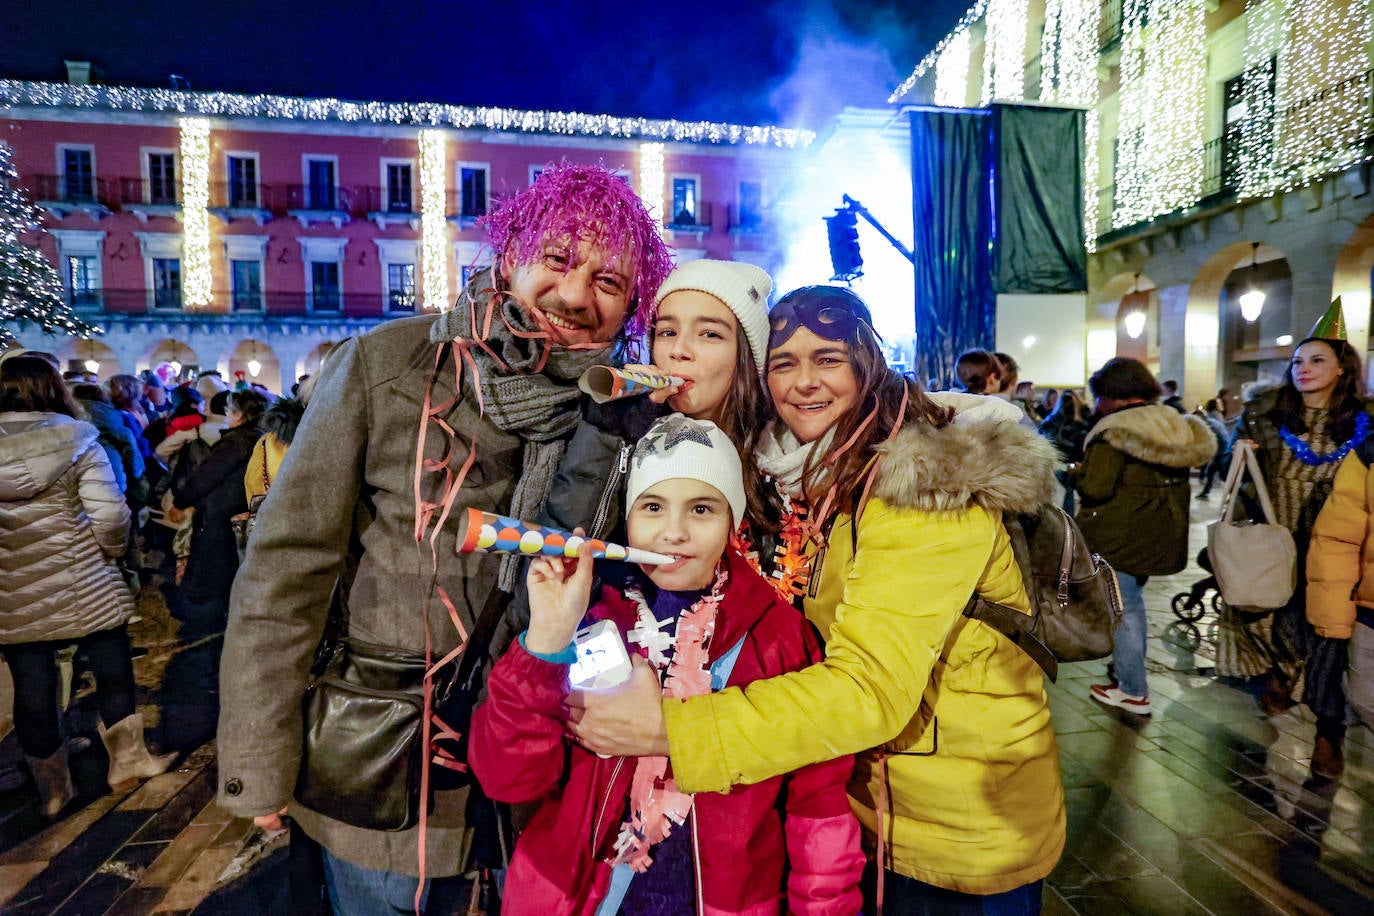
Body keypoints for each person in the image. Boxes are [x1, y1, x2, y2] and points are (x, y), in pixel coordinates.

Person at [216, 162, 672, 914]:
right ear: (512, 253)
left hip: (540, 779)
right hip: (383, 773)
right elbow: (285, 572)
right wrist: (258, 760)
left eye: (610, 281)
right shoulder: (388, 367)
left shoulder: (623, 414)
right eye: (558, 260)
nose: (574, 295)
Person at [568, 286, 1067, 910]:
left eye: (828, 358)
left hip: (953, 830)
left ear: (868, 363)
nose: (804, 382)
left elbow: (870, 689)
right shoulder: (813, 471)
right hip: (867, 805)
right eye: (783, 363)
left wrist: (671, 730)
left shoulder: (927, 487)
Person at [471, 415, 864, 913]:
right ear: (629, 516)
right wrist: (547, 637)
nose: (674, 532)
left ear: (732, 521)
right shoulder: (590, 611)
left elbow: (817, 812)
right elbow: (507, 779)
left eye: (701, 508)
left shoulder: (779, 639)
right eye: (653, 507)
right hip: (568, 897)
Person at [0, 353, 175, 818]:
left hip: (14, 585)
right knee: (113, 668)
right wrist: (113, 552)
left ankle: (54, 791)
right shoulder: (78, 441)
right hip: (85, 576)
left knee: (32, 686)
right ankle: (128, 763)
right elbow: (111, 514)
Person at [1221, 302, 1373, 778]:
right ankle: (1277, 681)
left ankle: (1330, 736)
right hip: (1276, 547)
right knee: (1273, 627)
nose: (1303, 370)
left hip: (1336, 556)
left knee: (1329, 646)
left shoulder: (1367, 424)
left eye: (1317, 361)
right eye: (1297, 362)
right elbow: (1246, 486)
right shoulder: (1267, 416)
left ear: (1343, 368)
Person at [1070, 358, 1214, 715]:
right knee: (1131, 602)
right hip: (1160, 534)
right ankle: (1123, 674)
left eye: (1100, 396)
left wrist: (1072, 473)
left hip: (1120, 537)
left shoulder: (1115, 431)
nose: (1097, 404)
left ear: (1112, 395)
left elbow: (1095, 488)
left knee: (1126, 610)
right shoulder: (1173, 424)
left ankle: (1133, 690)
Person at [169, 389, 267, 634]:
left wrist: (181, 500)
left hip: (223, 516)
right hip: (247, 513)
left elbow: (207, 476)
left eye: (231, 410)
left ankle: (212, 630)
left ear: (238, 414)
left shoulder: (236, 441)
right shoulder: (263, 438)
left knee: (216, 577)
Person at [1306, 435, 1374, 775]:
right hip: (1370, 611)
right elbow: (1339, 538)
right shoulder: (1369, 452)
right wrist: (1335, 613)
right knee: (1364, 699)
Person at [1197, 398, 1231, 499]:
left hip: (1221, 447)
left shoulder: (1214, 416)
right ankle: (1205, 492)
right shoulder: (1215, 416)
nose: (1221, 405)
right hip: (1221, 447)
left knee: (1217, 471)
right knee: (1215, 471)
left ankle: (1206, 492)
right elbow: (1221, 431)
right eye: (1219, 403)